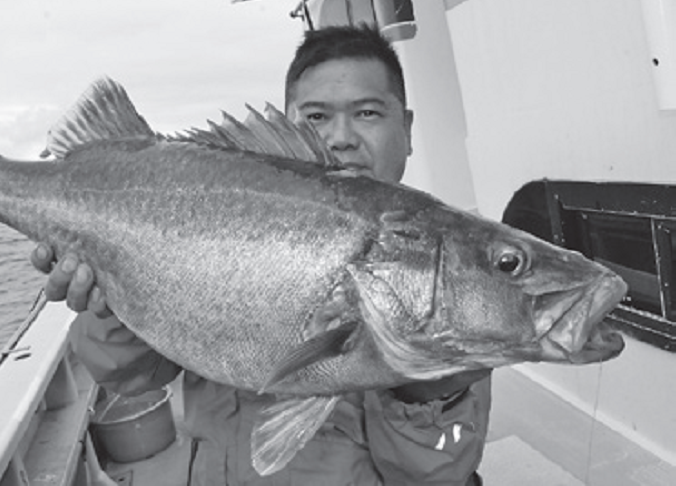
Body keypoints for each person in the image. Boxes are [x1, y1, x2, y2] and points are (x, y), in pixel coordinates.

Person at [32, 25, 491, 485]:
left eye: (368, 112)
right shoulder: (210, 215)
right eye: (316, 117)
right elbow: (131, 377)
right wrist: (109, 304)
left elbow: (434, 475)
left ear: (407, 130)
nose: (341, 137)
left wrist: (429, 389)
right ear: (285, 126)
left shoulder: (435, 267)